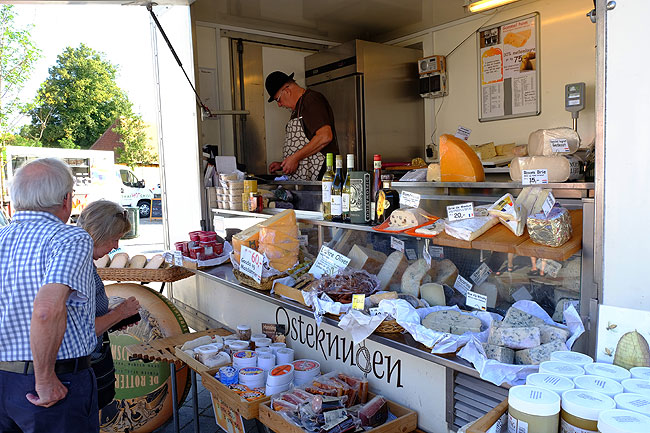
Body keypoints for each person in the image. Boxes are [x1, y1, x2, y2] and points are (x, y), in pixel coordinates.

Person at [0, 158, 99, 432]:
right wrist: (44, 379)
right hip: (52, 382)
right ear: (67, 199)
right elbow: (46, 309)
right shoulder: (70, 238)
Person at [77, 200, 141, 410]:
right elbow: (82, 330)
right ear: (98, 234)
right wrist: (121, 313)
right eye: (114, 239)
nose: (116, 246)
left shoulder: (83, 261)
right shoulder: (79, 267)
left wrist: (112, 318)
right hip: (82, 366)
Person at [265, 71, 339, 180]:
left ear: (287, 91)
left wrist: (294, 158)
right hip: (308, 180)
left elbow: (325, 136)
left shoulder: (311, 100)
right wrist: (284, 164)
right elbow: (306, 147)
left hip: (322, 179)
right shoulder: (298, 109)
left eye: (278, 99)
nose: (279, 104)